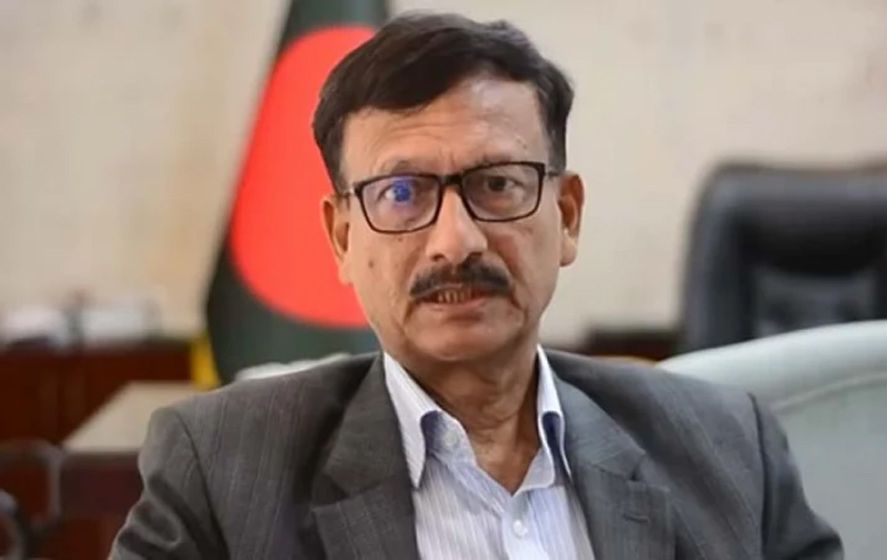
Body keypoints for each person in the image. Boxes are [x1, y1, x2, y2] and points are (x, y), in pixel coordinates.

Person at [112, 12, 842, 559]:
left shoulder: (726, 450)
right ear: (342, 239)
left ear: (566, 216)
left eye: (497, 184)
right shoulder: (223, 471)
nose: (455, 241)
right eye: (402, 194)